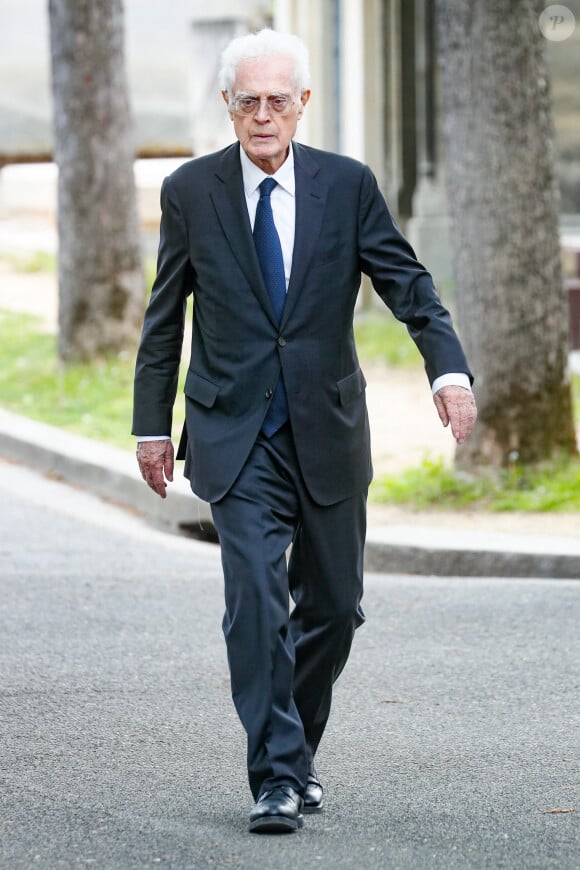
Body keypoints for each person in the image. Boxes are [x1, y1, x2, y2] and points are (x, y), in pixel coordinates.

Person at [133, 28, 477, 834]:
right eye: (246, 102)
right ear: (228, 106)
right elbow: (163, 320)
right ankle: (278, 777)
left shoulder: (347, 186)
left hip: (325, 428)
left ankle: (297, 746)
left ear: (302, 105)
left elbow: (407, 282)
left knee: (336, 604)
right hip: (233, 433)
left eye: (276, 101)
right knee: (254, 597)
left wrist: (449, 370)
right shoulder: (190, 192)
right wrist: (152, 426)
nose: (262, 117)